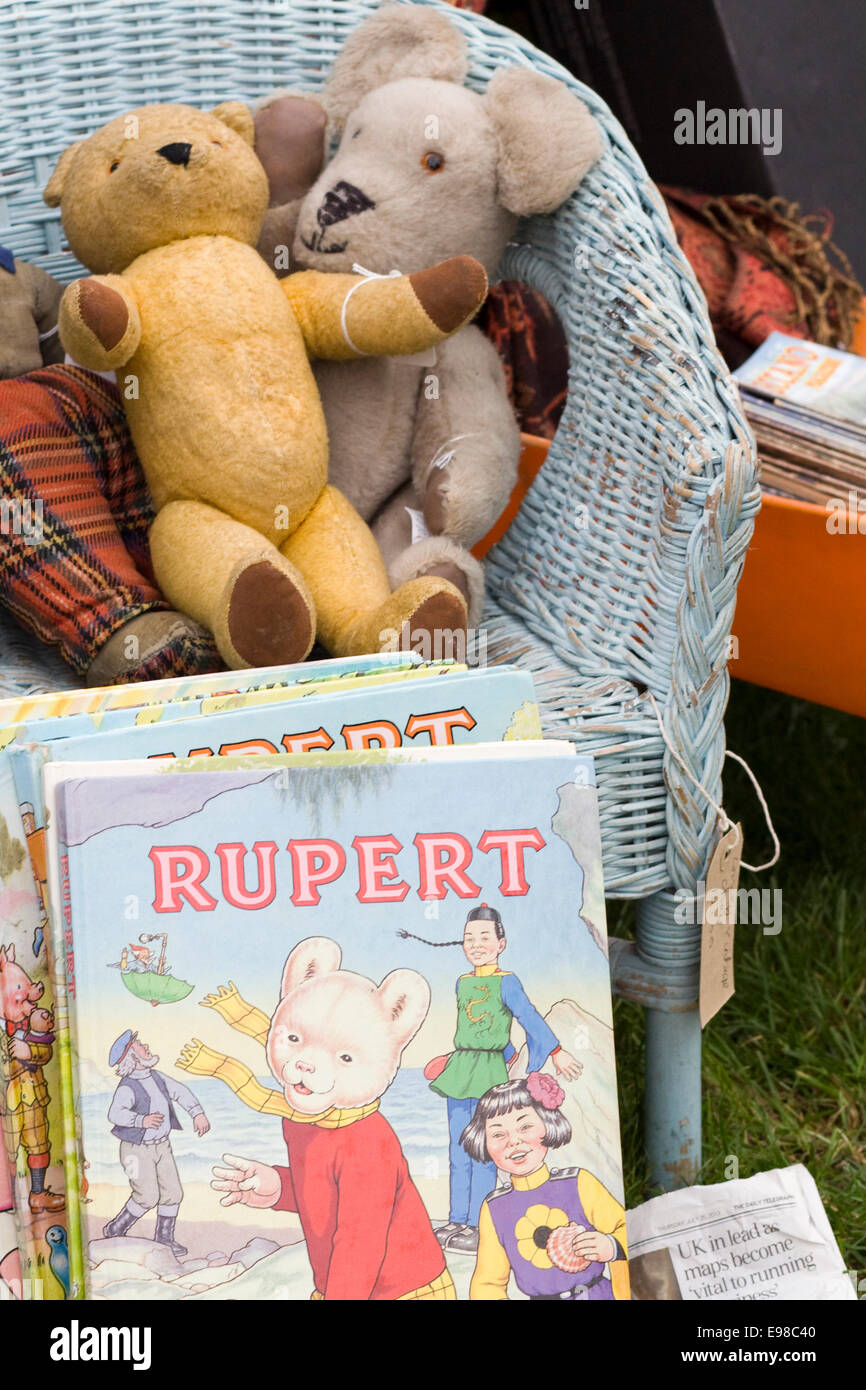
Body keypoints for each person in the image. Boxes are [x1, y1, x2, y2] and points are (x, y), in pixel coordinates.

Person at [399, 903, 582, 1252]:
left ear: (501, 942)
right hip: (461, 1070)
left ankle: (480, 1225)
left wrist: (555, 1052)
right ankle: (457, 1219)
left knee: (483, 1149)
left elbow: (526, 1017)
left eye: (484, 936)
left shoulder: (507, 982)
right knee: (458, 1149)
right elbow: (475, 1027)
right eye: (469, 938)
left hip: (488, 1072)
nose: (476, 944)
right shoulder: (462, 982)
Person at [461, 1074, 628, 1300]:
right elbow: (487, 1282)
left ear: (548, 1125)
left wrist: (611, 1245)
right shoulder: (495, 1207)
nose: (513, 1141)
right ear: (483, 1141)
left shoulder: (578, 1182)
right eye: (498, 1134)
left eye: (525, 1126)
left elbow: (626, 1228)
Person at [103, 1029, 209, 1256]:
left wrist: (197, 1113)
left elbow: (180, 1092)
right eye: (140, 1045)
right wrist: (142, 1120)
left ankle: (164, 1238)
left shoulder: (156, 1076)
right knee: (147, 1196)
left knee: (173, 1192)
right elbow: (114, 1114)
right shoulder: (127, 1086)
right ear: (132, 1057)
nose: (145, 1046)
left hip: (162, 1145)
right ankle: (116, 1227)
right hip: (136, 1149)